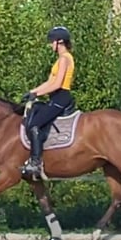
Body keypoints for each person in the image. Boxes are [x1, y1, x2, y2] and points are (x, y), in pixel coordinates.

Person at [20, 26, 76, 178]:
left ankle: (36, 163)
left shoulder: (64, 59)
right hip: (56, 97)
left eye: (52, 42)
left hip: (61, 97)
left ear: (59, 42)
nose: (51, 45)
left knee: (35, 124)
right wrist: (33, 92)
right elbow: (49, 81)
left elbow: (57, 84)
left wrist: (37, 94)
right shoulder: (60, 60)